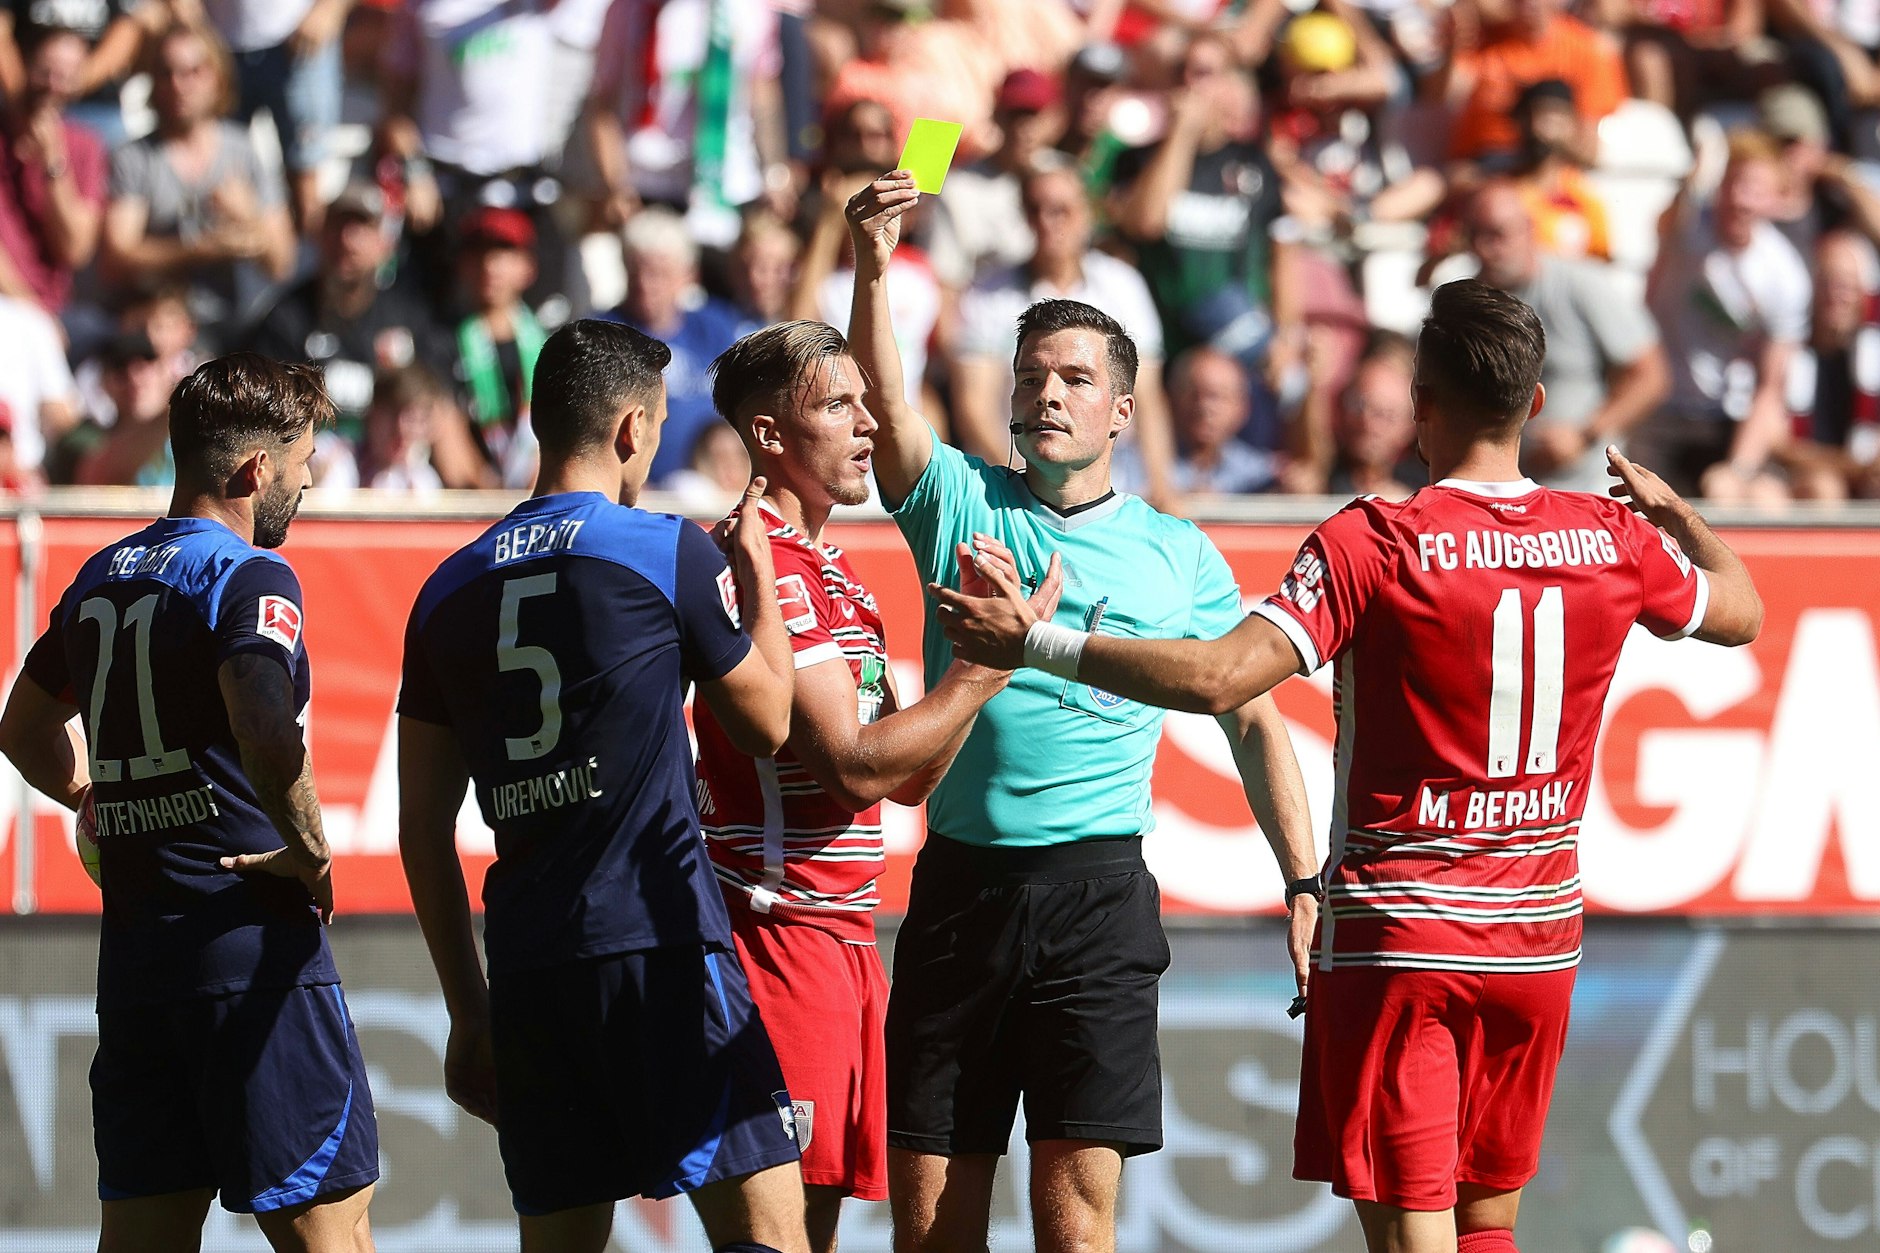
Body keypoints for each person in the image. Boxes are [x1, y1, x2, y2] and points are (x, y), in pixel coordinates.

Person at [928, 278, 1764, 1253]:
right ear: (1533, 403)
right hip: (1536, 939)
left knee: (1412, 1233)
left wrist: (1040, 644)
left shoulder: (1376, 541)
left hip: (1403, 937)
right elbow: (1740, 610)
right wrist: (1675, 515)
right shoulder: (1611, 536)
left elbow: (1216, 676)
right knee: (1486, 1223)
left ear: (1417, 405)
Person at [844, 174, 1320, 1253]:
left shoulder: (1177, 551)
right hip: (960, 893)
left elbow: (1250, 717)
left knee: (1075, 1227)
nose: (1048, 393)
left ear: (1118, 408)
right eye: (1030, 376)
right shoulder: (958, 500)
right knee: (928, 1233)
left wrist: (1301, 877)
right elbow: (888, 398)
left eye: (1073, 377)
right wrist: (875, 269)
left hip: (1096, 898)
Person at [396, 319, 809, 1253]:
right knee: (769, 1235)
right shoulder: (663, 548)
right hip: (659, 944)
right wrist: (759, 576)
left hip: (531, 971)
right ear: (632, 428)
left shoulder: (444, 590)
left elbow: (421, 825)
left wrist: (471, 1012)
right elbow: (770, 721)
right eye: (658, 428)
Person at [0, 352, 379, 1249]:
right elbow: (262, 717)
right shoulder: (247, 576)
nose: (311, 476)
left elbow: (21, 727)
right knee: (334, 1234)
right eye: (304, 458)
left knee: (141, 1236)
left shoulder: (100, 575)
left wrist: (92, 794)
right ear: (256, 469)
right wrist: (310, 847)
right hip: (249, 957)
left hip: (137, 968)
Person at [694, 319, 1054, 1253]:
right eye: (839, 406)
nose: (868, 425)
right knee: (773, 1238)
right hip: (773, 935)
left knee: (812, 1232)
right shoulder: (755, 561)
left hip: (845, 938)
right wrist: (988, 670)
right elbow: (851, 766)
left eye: (866, 400)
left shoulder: (839, 574)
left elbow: (908, 776)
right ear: (771, 436)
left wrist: (971, 656)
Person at [1465, 180, 1670, 492]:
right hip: (1495, 490)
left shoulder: (1580, 284)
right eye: (1475, 235)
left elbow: (1650, 376)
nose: (1486, 248)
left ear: (1529, 230)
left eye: (1498, 234)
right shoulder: (1466, 305)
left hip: (1584, 488)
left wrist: (1583, 435)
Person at [100, 23, 295, 341]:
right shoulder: (134, 157)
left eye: (193, 72)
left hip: (229, 327)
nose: (179, 85)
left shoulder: (243, 152)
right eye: (167, 73)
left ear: (218, 78)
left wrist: (249, 217)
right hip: (149, 325)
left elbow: (281, 263)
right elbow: (116, 261)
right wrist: (197, 250)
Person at [0, 22, 107, 315]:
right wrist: (32, 316)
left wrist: (53, 161)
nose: (53, 84)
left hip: (53, 309)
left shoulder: (85, 146)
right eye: (44, 71)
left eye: (66, 76)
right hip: (16, 307)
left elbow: (75, 250)